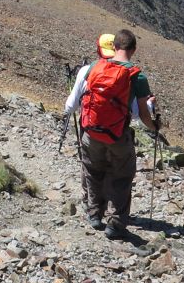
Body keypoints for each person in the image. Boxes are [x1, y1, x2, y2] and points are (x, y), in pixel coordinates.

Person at [63, 28, 157, 238]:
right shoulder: (137, 76)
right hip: (118, 135)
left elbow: (77, 101)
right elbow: (142, 115)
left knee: (93, 171)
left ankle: (94, 214)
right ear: (133, 49)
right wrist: (155, 127)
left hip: (91, 131)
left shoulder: (93, 67)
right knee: (122, 177)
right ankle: (115, 225)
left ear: (114, 46)